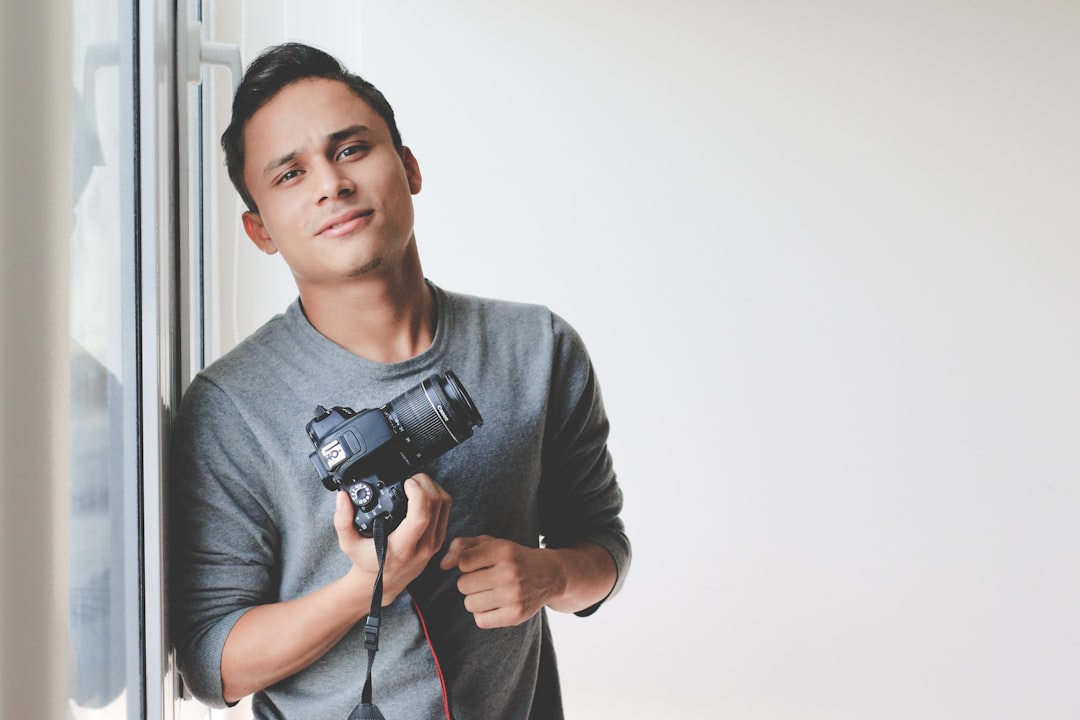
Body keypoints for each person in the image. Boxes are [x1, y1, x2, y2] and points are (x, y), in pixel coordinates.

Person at [169, 41, 630, 720]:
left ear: (409, 167)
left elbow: (603, 546)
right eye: (290, 175)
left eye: (351, 149)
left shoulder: (537, 348)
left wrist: (551, 574)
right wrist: (367, 586)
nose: (331, 184)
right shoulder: (231, 407)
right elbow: (211, 663)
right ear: (259, 229)